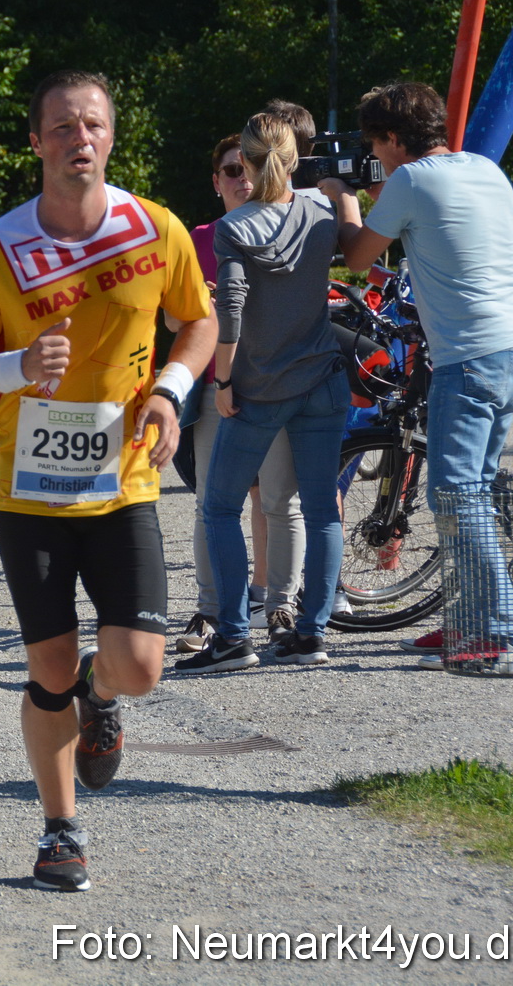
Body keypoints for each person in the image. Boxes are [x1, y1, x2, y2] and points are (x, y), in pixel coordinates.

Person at [0, 70, 215, 892]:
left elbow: (197, 320)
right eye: (61, 127)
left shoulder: (153, 230)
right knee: (47, 665)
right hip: (29, 490)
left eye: (91, 124)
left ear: (111, 138)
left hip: (124, 480)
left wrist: (170, 389)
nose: (78, 138)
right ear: (36, 142)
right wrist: (15, 367)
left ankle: (102, 692)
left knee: (142, 664)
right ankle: (61, 830)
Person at [338, 82, 513, 672]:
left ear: (395, 140)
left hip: (468, 359)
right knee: (469, 489)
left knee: (454, 492)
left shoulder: (411, 180)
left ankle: (498, 637)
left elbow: (356, 258)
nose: (379, 155)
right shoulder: (484, 168)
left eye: (379, 143)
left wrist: (342, 197)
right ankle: (468, 624)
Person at [176, 113, 351, 675]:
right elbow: (358, 254)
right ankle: (310, 632)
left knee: (221, 506)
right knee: (321, 510)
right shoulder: (320, 210)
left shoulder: (236, 226)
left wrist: (223, 380)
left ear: (246, 164)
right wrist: (343, 192)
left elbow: (229, 309)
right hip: (322, 377)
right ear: (295, 158)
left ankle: (231, 637)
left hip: (261, 386)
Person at [173, 136, 304, 654]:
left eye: (250, 166)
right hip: (214, 390)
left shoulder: (288, 226)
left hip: (275, 386)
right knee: (211, 503)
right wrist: (201, 306)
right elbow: (169, 318)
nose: (241, 177)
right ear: (216, 181)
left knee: (280, 502)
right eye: (230, 169)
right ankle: (210, 612)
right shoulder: (196, 238)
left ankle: (281, 608)